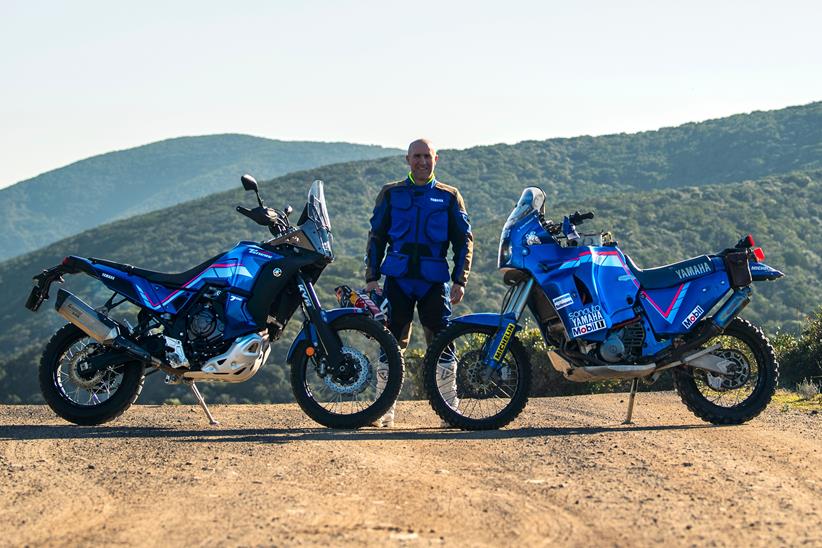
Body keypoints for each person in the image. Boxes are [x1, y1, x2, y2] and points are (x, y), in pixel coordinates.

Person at [365, 138, 473, 427]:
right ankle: (382, 410)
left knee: (443, 345)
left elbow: (463, 241)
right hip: (397, 279)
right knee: (389, 345)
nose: (422, 161)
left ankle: (450, 411)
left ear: (436, 160)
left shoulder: (449, 196)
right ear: (407, 160)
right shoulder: (391, 193)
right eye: (417, 156)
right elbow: (376, 237)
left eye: (427, 156)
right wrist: (371, 277)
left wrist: (460, 279)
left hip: (433, 281)